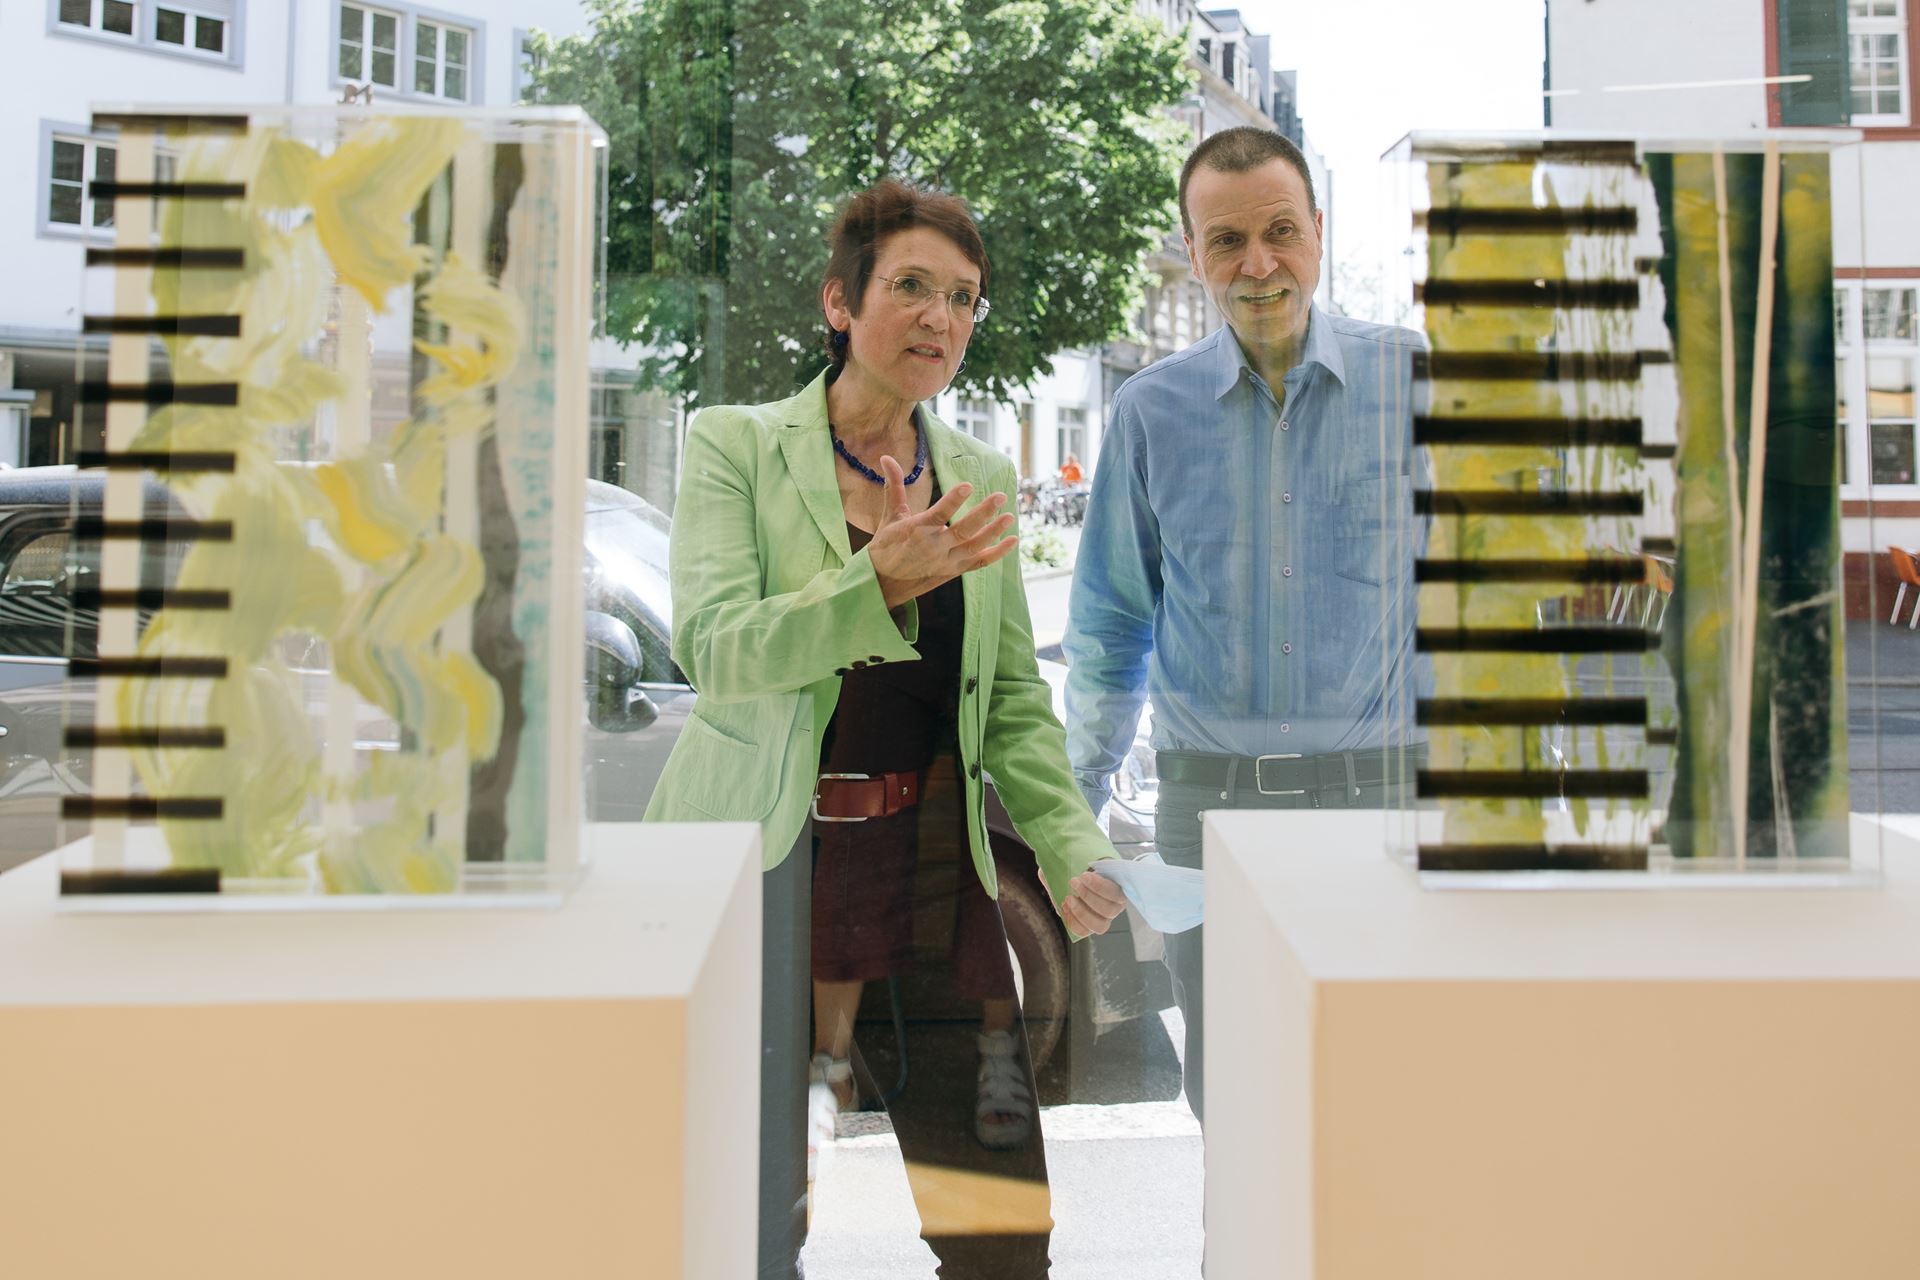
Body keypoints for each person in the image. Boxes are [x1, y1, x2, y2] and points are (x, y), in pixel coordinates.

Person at [644, 178, 1128, 1280]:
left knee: (1001, 1235)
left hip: (930, 882)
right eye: (911, 286)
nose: (939, 318)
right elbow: (714, 647)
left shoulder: (978, 477)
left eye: (962, 298)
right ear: (839, 302)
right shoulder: (735, 446)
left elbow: (1010, 697)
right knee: (748, 1227)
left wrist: (1071, 844)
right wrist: (875, 583)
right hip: (771, 877)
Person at [1064, 127, 1423, 1127]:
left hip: (1387, 806)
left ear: (1319, 232)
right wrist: (1075, 813)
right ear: (1191, 252)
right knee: (1239, 1116)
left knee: (1392, 1110)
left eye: (1280, 232)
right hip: (1210, 824)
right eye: (1226, 240)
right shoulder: (1150, 412)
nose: (1258, 264)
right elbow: (1110, 627)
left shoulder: (1419, 386)